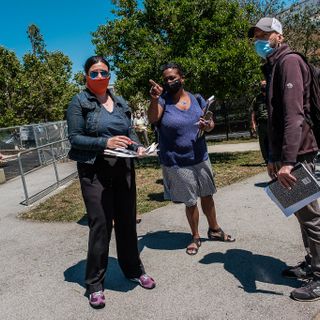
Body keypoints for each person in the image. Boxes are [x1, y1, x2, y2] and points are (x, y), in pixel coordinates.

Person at [67, 56, 155, 309]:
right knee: (101, 226)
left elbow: (127, 133)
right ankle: (95, 283)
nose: (99, 77)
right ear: (86, 76)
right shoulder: (79, 102)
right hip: (94, 171)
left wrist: (138, 147)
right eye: (93, 73)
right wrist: (104, 143)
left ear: (109, 75)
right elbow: (75, 138)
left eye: (103, 72)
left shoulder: (120, 102)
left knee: (127, 222)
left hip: (124, 168)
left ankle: (133, 270)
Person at [249, 17, 320, 302]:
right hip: (289, 154)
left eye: (264, 34)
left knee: (312, 217)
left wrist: (288, 161)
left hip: (300, 152)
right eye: (255, 36)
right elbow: (276, 120)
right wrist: (274, 158)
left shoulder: (289, 62)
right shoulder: (275, 64)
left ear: (279, 35)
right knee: (302, 213)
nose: (259, 40)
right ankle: (311, 262)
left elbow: (294, 116)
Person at [148, 62, 235, 256]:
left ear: (182, 78)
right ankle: (195, 236)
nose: (169, 81)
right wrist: (154, 99)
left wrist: (208, 125)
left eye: (173, 77)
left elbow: (210, 123)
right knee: (190, 201)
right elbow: (153, 119)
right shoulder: (162, 101)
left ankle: (214, 230)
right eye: (166, 79)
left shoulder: (197, 98)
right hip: (178, 161)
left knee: (207, 195)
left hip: (200, 156)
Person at [250, 80, 268, 164]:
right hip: (261, 124)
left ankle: (274, 159)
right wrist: (253, 124)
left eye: (265, 84)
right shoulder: (256, 99)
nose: (263, 86)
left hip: (272, 123)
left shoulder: (272, 95)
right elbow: (253, 112)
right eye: (262, 85)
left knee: (273, 142)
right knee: (263, 143)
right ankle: (266, 159)